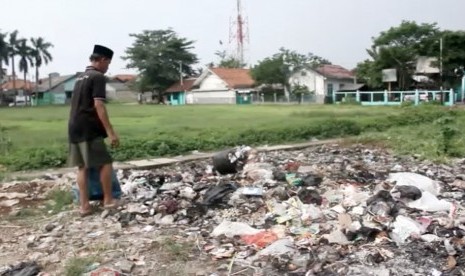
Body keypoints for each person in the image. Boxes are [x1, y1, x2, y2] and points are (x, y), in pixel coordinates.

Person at [68, 44, 120, 216]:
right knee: (105, 163)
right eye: (108, 64)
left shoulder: (79, 77)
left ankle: (84, 206)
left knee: (82, 167)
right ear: (102, 60)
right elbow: (99, 105)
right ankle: (108, 200)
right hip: (89, 127)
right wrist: (111, 132)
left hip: (74, 126)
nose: (107, 68)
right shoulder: (97, 77)